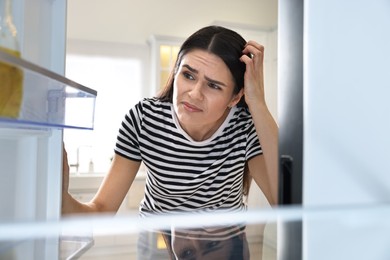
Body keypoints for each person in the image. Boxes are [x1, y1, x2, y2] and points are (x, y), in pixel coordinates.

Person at [61, 25, 278, 258]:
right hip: (157, 242)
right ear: (175, 72)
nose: (194, 93)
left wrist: (257, 103)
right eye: (188, 75)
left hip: (223, 245)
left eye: (214, 85)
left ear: (236, 96)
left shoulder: (246, 126)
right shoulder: (144, 119)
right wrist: (59, 195)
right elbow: (100, 212)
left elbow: (285, 203)